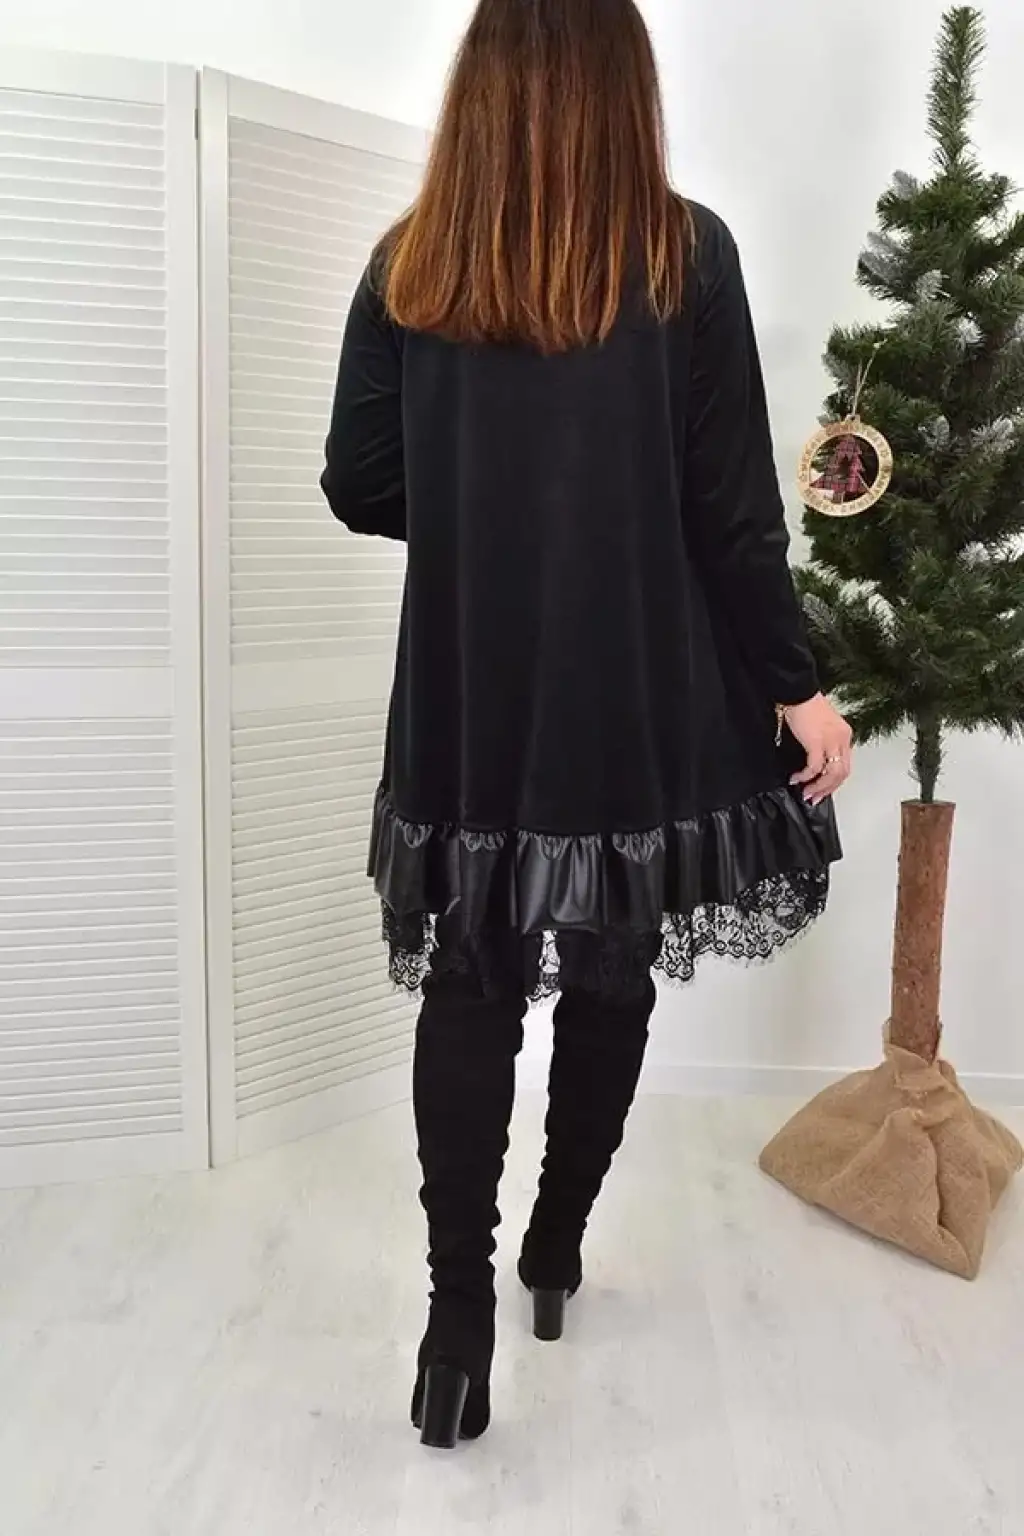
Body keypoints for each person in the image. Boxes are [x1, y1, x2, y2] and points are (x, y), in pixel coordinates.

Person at [321, 0, 851, 1452]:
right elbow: (732, 511)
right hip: (625, 690)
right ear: (627, 85)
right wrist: (795, 681)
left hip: (471, 689)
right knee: (611, 971)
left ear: (478, 89)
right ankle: (554, 1245)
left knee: (471, 981)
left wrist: (487, 503)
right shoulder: (686, 256)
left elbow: (359, 480)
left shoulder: (414, 263)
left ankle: (456, 1331)